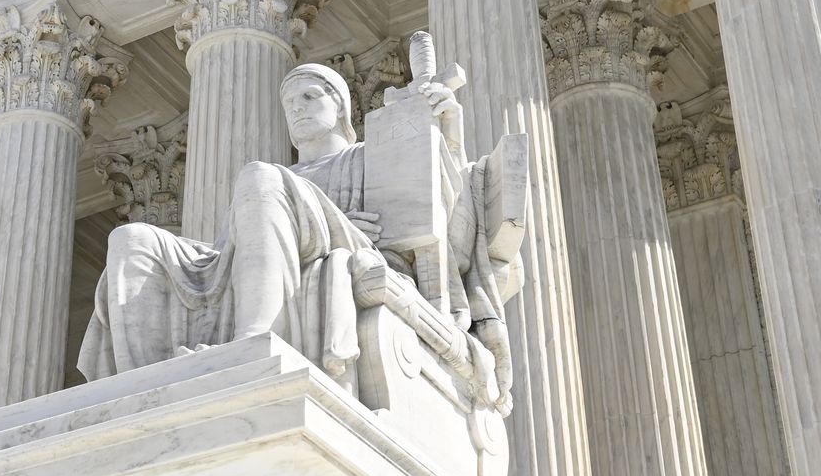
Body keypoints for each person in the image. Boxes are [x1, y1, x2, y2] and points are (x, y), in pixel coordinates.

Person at [78, 46, 517, 398]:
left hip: (352, 247)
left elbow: (448, 231)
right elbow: (228, 259)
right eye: (289, 101)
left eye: (310, 96)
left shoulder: (363, 158)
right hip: (242, 265)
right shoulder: (272, 182)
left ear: (341, 107)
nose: (297, 108)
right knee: (131, 237)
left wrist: (445, 136)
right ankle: (139, 385)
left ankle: (252, 343)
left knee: (260, 175)